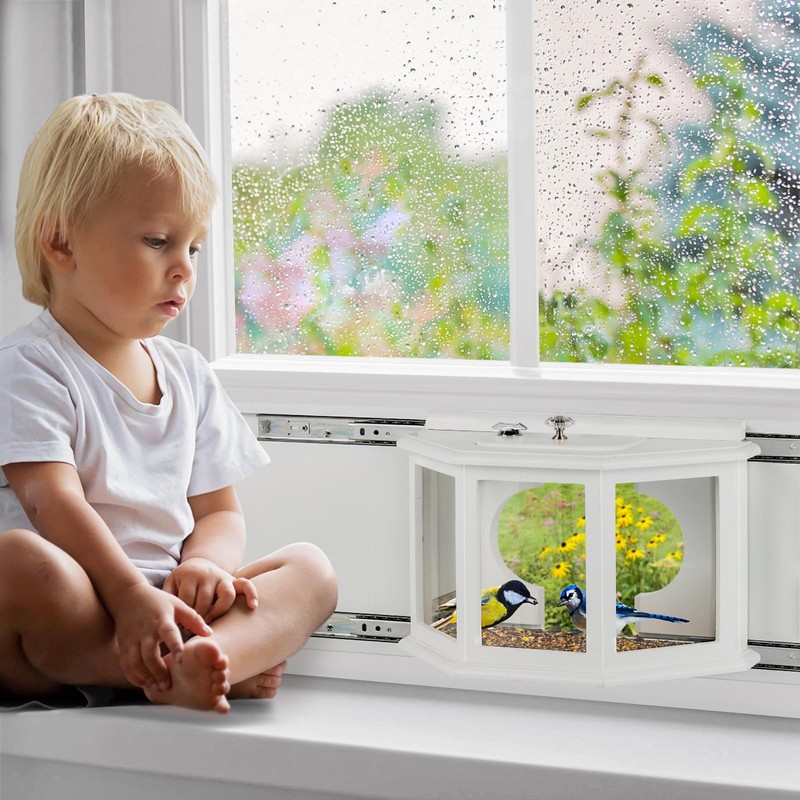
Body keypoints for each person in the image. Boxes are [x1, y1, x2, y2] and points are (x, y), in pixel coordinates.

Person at [0, 93, 338, 713]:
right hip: (78, 610)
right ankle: (168, 670)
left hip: (168, 602)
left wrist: (206, 565)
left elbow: (219, 512)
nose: (184, 268)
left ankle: (206, 661)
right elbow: (50, 500)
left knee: (309, 569)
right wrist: (129, 597)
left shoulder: (188, 373)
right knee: (14, 560)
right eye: (158, 241)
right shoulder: (31, 366)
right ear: (60, 242)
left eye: (195, 247)